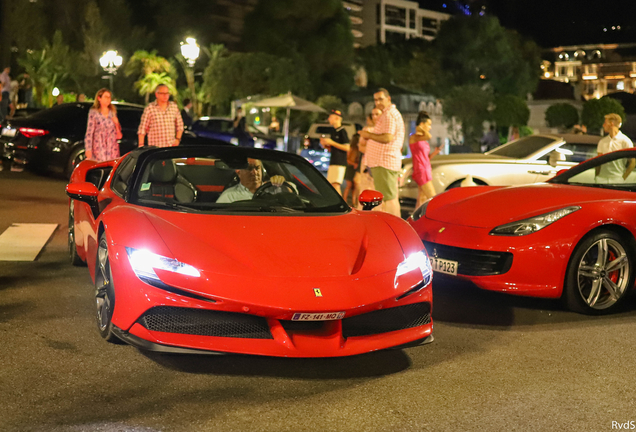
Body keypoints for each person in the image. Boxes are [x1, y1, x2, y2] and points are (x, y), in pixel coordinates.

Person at [359, 88, 405, 217]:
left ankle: (395, 228)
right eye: (375, 100)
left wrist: (368, 135)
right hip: (383, 162)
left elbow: (387, 137)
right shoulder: (388, 114)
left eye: (381, 99)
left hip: (384, 161)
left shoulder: (389, 114)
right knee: (388, 197)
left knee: (389, 198)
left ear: (388, 99)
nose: (378, 102)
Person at [217, 159, 287, 203]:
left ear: (262, 171)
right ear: (239, 173)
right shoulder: (229, 196)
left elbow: (294, 196)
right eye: (249, 169)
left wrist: (282, 183)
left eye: (257, 168)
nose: (255, 173)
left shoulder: (275, 189)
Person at [410, 111, 441, 209]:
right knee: (433, 198)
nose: (430, 127)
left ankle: (415, 222)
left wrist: (434, 153)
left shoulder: (422, 138)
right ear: (422, 124)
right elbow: (429, 136)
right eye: (429, 125)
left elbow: (425, 158)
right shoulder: (414, 137)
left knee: (422, 199)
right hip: (421, 170)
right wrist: (421, 129)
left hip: (426, 169)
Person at [84, 88, 122, 162]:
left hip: (112, 147)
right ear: (99, 98)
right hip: (99, 146)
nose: (108, 99)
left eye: (109, 97)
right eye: (105, 97)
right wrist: (88, 149)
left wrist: (117, 124)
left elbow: (119, 135)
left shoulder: (112, 112)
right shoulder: (94, 112)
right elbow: (89, 132)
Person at [595, 113, 635, 182]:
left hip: (617, 178)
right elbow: (598, 161)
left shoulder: (625, 141)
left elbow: (632, 162)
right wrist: (597, 176)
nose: (603, 125)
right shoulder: (602, 141)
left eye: (605, 123)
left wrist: (622, 178)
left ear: (611, 123)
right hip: (601, 178)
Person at [319, 109, 350, 194]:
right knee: (331, 185)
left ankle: (342, 205)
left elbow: (347, 147)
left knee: (335, 185)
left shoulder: (342, 131)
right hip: (333, 161)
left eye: (330, 117)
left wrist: (331, 142)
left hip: (339, 162)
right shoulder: (334, 132)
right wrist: (326, 145)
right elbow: (334, 147)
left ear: (337, 118)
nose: (329, 119)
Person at [356, 109, 381, 205]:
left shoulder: (384, 130)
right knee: (366, 188)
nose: (375, 117)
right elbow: (360, 146)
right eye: (373, 114)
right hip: (368, 163)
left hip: (380, 164)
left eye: (377, 114)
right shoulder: (368, 130)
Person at [343, 133, 361, 206]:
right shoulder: (352, 149)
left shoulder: (357, 149)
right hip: (350, 168)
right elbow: (348, 160)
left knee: (353, 187)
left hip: (352, 168)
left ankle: (353, 202)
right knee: (349, 186)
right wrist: (354, 164)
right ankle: (345, 200)